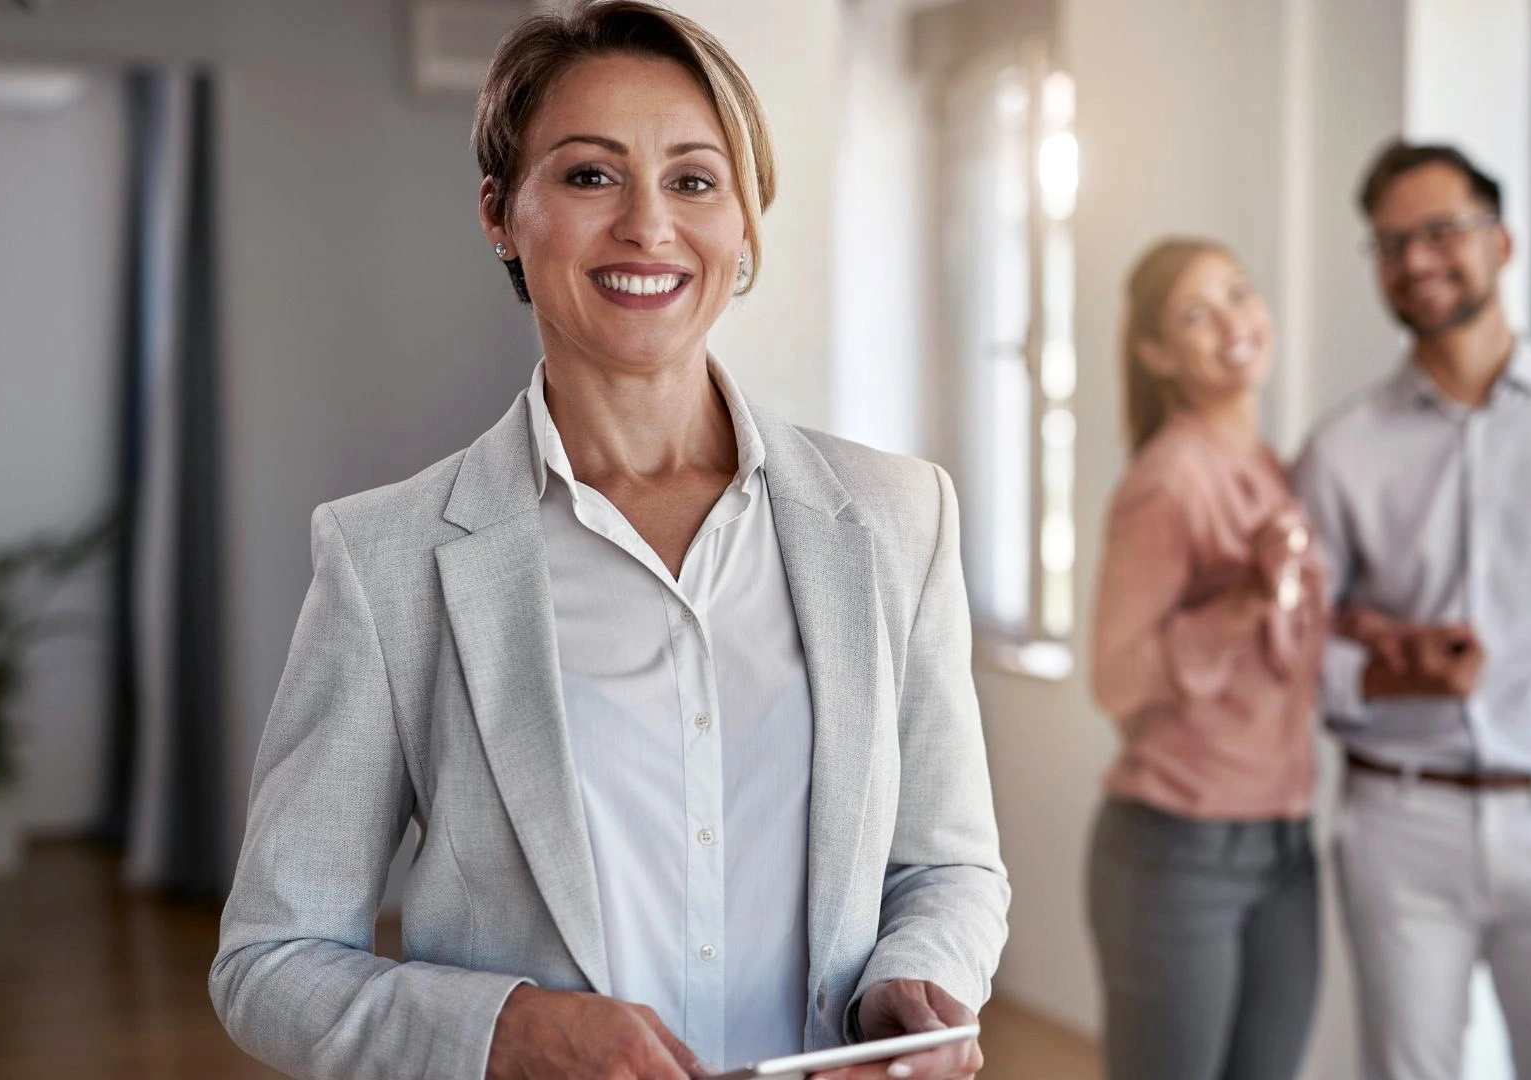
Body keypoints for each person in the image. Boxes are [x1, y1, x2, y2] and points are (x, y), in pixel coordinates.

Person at [208, 5, 1009, 1079]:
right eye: (590, 177)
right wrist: (502, 1032)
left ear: (745, 220)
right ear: (500, 212)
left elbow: (948, 869)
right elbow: (269, 960)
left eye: (693, 179)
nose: (648, 225)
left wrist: (914, 989)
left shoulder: (898, 519)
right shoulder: (385, 561)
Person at [1292, 140, 1531, 1080]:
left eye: (1440, 232)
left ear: (1502, 242)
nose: (1416, 261)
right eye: (1390, 245)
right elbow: (1300, 648)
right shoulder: (1341, 448)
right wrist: (1396, 670)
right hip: (1399, 820)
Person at [1088, 238, 1324, 1080]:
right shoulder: (1172, 478)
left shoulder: (1268, 468)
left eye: (1238, 292)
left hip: (1285, 843)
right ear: (1159, 355)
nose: (1231, 321)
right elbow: (1114, 678)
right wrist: (1244, 603)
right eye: (1196, 313)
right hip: (1179, 849)